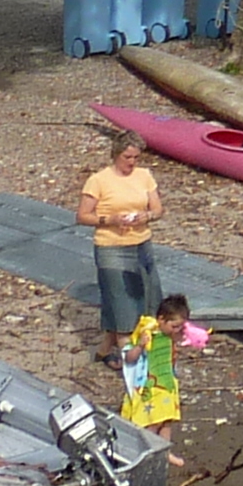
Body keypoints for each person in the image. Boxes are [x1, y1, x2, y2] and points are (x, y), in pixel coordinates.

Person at [75, 129, 166, 353]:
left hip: (141, 243)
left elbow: (158, 208)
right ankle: (129, 358)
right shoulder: (98, 181)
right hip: (111, 247)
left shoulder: (144, 176)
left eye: (136, 157)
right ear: (116, 154)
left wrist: (148, 216)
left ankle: (105, 350)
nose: (132, 162)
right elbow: (83, 216)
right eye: (128, 157)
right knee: (121, 302)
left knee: (147, 298)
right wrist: (111, 220)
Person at [120, 293, 195, 439]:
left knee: (167, 421)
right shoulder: (147, 334)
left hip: (167, 384)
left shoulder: (171, 335)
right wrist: (140, 345)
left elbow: (182, 338)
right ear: (161, 319)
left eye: (180, 327)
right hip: (151, 387)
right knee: (152, 423)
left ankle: (164, 451)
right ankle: (149, 450)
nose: (176, 330)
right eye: (174, 326)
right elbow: (129, 358)